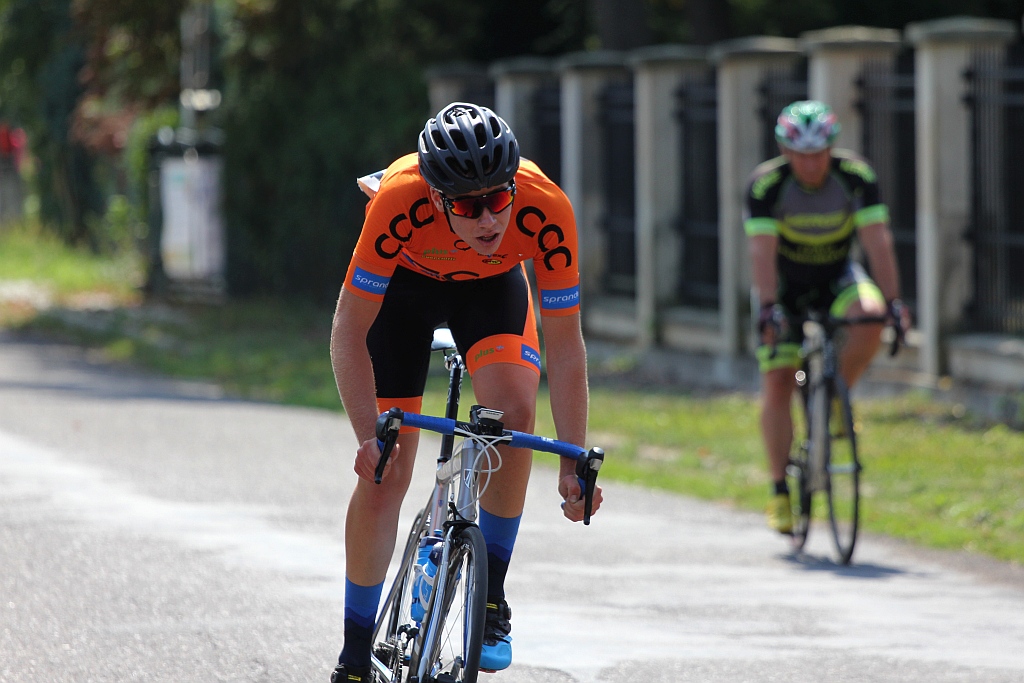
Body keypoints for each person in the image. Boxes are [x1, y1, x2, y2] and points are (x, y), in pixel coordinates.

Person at [328, 102, 602, 682]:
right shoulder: (397, 200)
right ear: (434, 198)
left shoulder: (546, 207)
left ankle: (492, 598)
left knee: (514, 413)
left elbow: (566, 345)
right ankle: (354, 655)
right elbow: (348, 333)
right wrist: (367, 438)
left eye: (498, 198)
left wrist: (574, 460)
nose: (488, 219)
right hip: (404, 291)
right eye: (469, 205)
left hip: (491, 291)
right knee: (387, 473)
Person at [743, 100, 910, 534]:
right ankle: (780, 491)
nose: (811, 164)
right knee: (779, 381)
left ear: (831, 150)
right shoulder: (767, 185)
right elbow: (762, 252)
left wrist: (893, 302)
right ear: (786, 151)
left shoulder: (855, 176)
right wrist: (768, 307)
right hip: (783, 287)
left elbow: (877, 242)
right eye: (801, 154)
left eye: (819, 154)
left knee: (870, 316)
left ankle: (836, 397)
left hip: (837, 277)